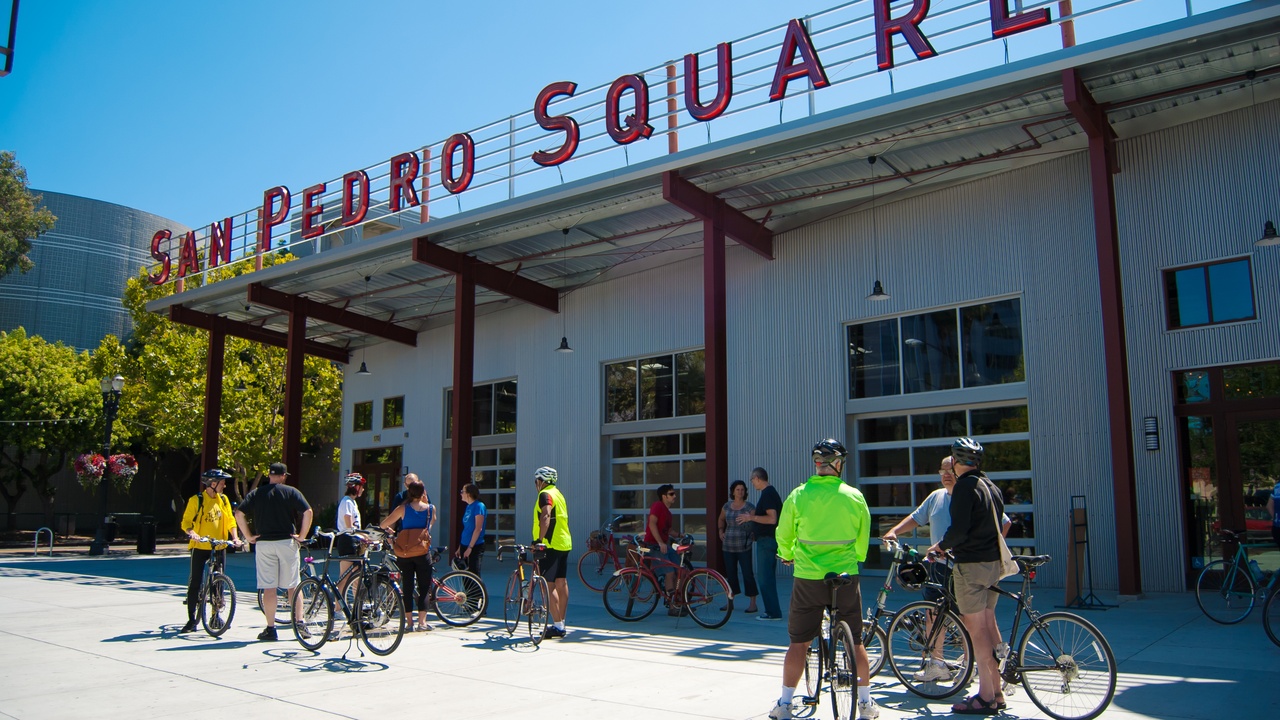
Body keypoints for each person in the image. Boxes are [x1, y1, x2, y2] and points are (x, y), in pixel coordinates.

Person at [770, 439, 877, 720]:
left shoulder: (799, 495)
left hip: (807, 577)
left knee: (799, 643)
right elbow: (863, 536)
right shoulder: (854, 496)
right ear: (839, 464)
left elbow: (783, 534)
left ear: (817, 464)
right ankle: (865, 704)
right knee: (855, 641)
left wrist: (787, 553)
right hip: (844, 576)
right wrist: (856, 557)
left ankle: (785, 704)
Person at [883, 456, 1011, 683]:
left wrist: (987, 547)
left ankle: (978, 665)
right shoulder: (936, 497)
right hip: (939, 566)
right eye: (941, 471)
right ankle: (937, 663)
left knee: (972, 618)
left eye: (950, 470)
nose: (945, 475)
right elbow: (916, 518)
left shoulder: (971, 493)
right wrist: (895, 530)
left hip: (966, 566)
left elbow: (1004, 522)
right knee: (933, 612)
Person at [927, 437, 1006, 715]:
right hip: (993, 565)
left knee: (976, 630)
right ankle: (997, 691)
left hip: (971, 566)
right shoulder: (991, 486)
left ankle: (985, 696)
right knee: (988, 623)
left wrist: (938, 547)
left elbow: (958, 531)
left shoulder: (964, 487)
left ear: (958, 462)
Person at [234, 462, 313, 642]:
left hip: (264, 543)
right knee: (293, 585)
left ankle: (271, 628)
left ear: (269, 475)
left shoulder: (256, 494)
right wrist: (302, 535)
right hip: (286, 541)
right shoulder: (291, 492)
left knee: (269, 587)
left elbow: (239, 513)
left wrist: (248, 536)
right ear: (284, 476)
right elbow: (307, 511)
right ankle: (299, 623)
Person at [179, 468, 242, 633]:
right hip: (200, 546)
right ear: (212, 484)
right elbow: (186, 522)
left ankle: (215, 615)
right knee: (195, 581)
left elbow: (230, 521)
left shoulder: (224, 500)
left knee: (218, 582)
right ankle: (192, 620)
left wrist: (234, 537)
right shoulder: (197, 500)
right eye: (222, 483)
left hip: (218, 546)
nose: (224, 486)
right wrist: (191, 533)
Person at [379, 478, 435, 631]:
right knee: (424, 586)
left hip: (404, 552)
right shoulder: (430, 508)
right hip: (422, 551)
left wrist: (391, 532)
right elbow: (431, 523)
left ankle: (409, 623)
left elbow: (383, 524)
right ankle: (422, 622)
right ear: (423, 492)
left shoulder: (402, 508)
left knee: (408, 586)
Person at [739, 467, 783, 620]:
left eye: (752, 480)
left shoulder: (768, 494)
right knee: (767, 576)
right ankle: (773, 610)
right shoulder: (769, 493)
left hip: (767, 541)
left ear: (757, 478)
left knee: (765, 577)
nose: (752, 483)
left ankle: (772, 612)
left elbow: (772, 518)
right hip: (767, 539)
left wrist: (751, 518)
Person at [533, 466, 571, 639]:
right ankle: (560, 621)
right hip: (564, 543)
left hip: (550, 544)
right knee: (561, 583)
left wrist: (539, 540)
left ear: (541, 481)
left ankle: (557, 626)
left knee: (548, 585)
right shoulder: (559, 494)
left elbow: (546, 515)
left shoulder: (545, 494)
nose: (535, 485)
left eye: (536, 481)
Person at [717, 479, 758, 614]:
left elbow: (755, 523)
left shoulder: (749, 507)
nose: (740, 492)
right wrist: (721, 531)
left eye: (742, 489)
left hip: (744, 545)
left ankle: (753, 602)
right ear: (733, 492)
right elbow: (721, 519)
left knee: (747, 574)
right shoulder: (727, 506)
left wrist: (753, 534)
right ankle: (730, 601)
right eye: (737, 490)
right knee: (731, 574)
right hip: (728, 545)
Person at [645, 483, 682, 609]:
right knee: (669, 572)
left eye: (674, 493)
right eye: (671, 494)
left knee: (681, 570)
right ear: (664, 496)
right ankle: (672, 605)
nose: (674, 496)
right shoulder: (657, 506)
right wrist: (660, 542)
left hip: (664, 545)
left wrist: (680, 535)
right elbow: (652, 524)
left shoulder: (668, 513)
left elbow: (669, 530)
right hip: (654, 545)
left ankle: (679, 600)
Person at [335, 472, 367, 586]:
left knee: (357, 577)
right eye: (362, 487)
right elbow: (349, 526)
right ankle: (338, 604)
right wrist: (362, 535)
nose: (363, 490)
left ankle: (357, 603)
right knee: (344, 577)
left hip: (354, 540)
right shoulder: (347, 502)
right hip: (347, 540)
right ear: (356, 487)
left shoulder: (352, 502)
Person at [455, 482, 486, 573]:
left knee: (474, 574)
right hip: (464, 544)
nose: (461, 494)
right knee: (465, 575)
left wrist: (470, 548)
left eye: (462, 491)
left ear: (468, 494)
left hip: (475, 546)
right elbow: (467, 528)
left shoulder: (479, 506)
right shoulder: (468, 507)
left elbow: (478, 529)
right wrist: (460, 547)